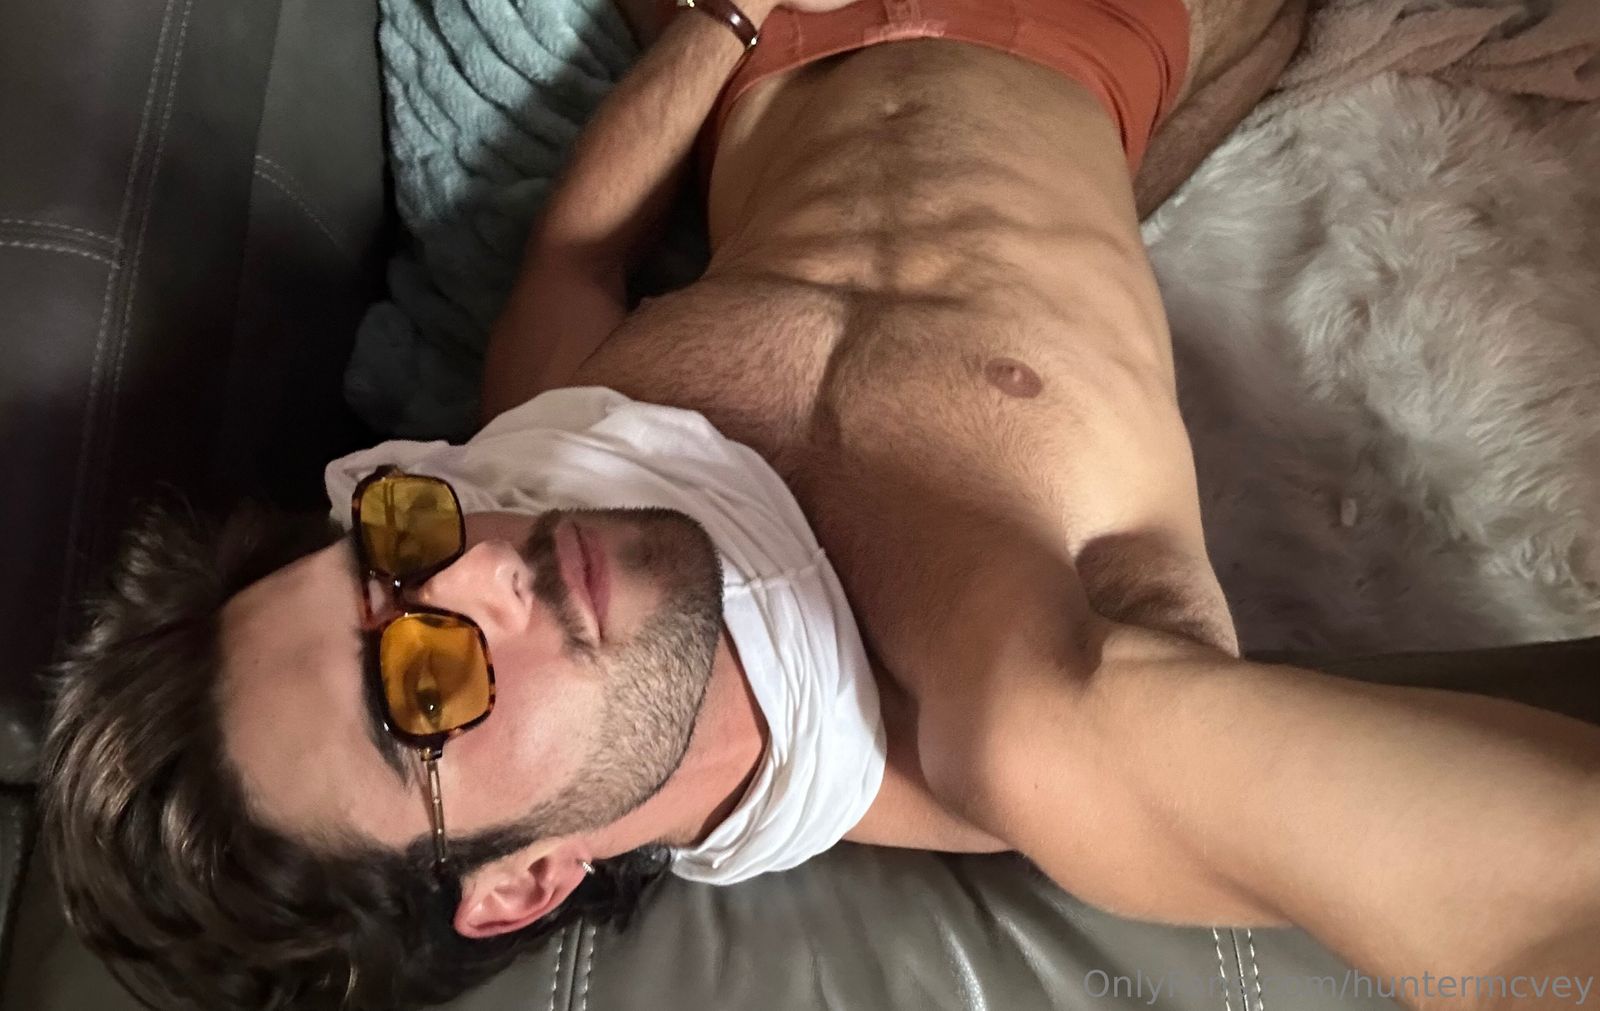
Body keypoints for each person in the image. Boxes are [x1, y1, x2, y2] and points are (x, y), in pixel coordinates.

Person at [41, 0, 1600, 1009]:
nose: (477, 572)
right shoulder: (1010, 712)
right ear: (520, 882)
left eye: (390, 555)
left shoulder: (529, 481)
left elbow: (570, 263)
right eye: (423, 687)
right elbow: (1546, 911)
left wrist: (728, 19)